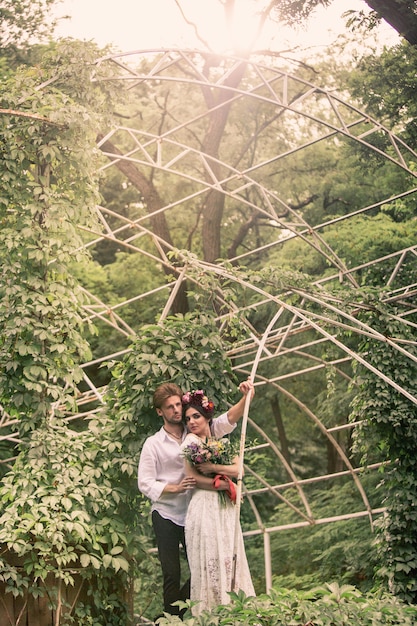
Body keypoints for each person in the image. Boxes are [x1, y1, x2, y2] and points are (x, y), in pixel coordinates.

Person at [137, 379, 254, 618]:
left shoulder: (196, 429)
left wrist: (247, 396)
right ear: (160, 412)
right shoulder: (153, 444)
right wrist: (175, 487)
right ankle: (170, 619)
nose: (177, 410)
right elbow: (145, 483)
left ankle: (174, 615)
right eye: (169, 407)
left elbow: (228, 419)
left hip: (195, 512)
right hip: (167, 513)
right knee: (171, 572)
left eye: (178, 404)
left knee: (202, 567)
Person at [181, 389, 255, 616]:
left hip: (223, 506)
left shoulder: (217, 441)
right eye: (188, 419)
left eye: (196, 417)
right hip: (204, 504)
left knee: (227, 551)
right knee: (209, 554)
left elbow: (238, 468)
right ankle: (211, 611)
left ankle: (235, 607)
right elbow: (192, 478)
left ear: (207, 418)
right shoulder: (189, 443)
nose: (192, 422)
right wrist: (219, 484)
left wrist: (215, 469)